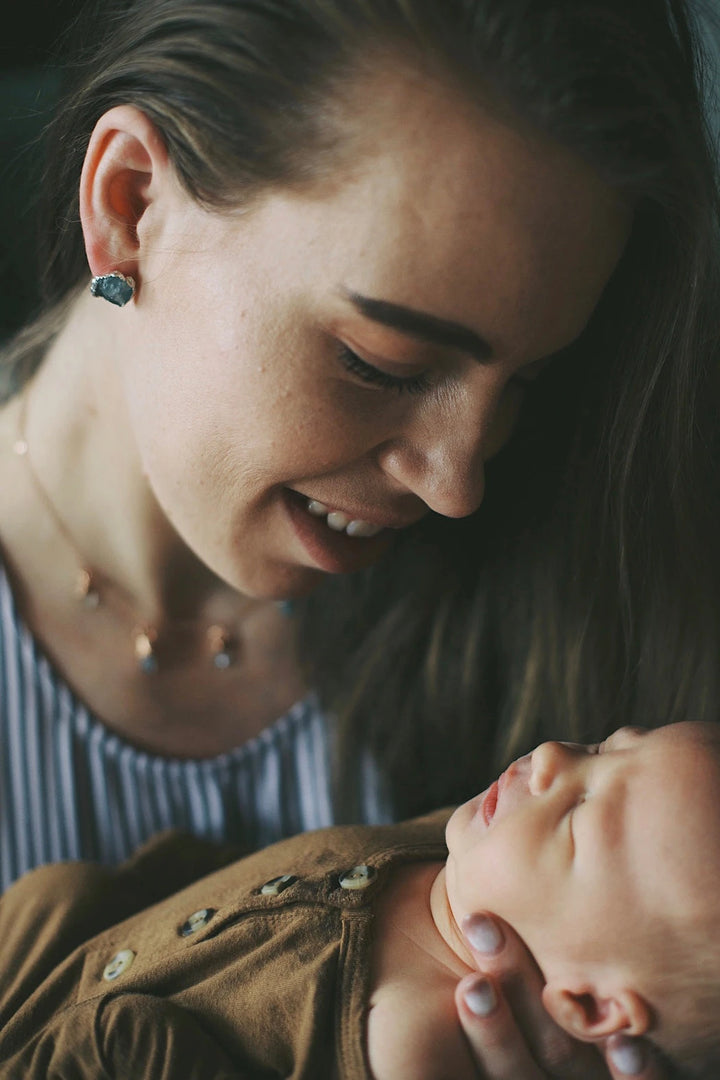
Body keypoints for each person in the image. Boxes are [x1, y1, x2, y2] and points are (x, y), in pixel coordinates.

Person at [0, 0, 718, 1077]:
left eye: (524, 382)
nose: (458, 482)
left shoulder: (584, 599)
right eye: (382, 363)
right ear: (131, 202)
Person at [0, 722, 717, 1079]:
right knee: (59, 896)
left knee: (121, 1037)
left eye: (577, 818)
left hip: (96, 1051)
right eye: (605, 745)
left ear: (589, 1008)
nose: (557, 756)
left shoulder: (419, 1043)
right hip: (75, 957)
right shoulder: (455, 846)